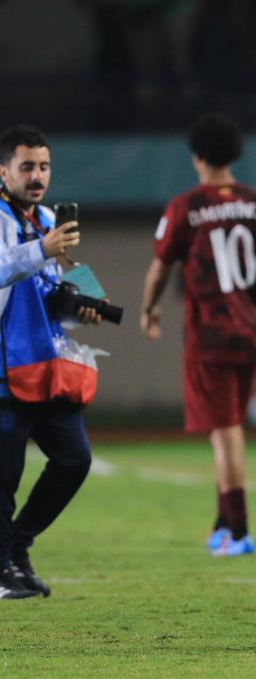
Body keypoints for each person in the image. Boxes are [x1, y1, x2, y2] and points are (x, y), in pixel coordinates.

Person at [139, 114, 256, 557]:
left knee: (224, 433)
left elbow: (160, 266)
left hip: (210, 337)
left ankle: (238, 530)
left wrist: (148, 309)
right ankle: (222, 524)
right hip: (251, 331)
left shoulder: (187, 207)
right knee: (231, 429)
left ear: (197, 156)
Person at [0, 124, 100, 600]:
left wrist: (86, 303)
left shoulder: (45, 218)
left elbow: (48, 289)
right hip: (4, 369)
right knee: (4, 476)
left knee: (74, 460)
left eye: (43, 166)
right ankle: (3, 570)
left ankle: (16, 546)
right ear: (4, 170)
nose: (37, 176)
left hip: (46, 366)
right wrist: (42, 249)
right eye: (27, 167)